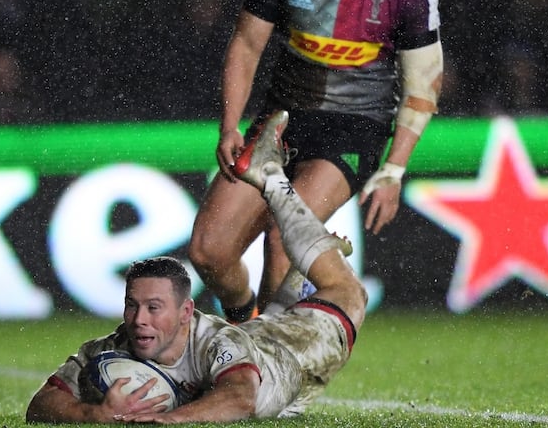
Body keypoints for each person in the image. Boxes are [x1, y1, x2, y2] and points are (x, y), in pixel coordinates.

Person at [188, 0, 443, 323]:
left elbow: (423, 87)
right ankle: (247, 328)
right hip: (281, 121)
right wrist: (230, 126)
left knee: (288, 235)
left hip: (354, 128)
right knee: (209, 251)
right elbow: (246, 46)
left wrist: (394, 169)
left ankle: (269, 368)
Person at [26, 110, 367, 423]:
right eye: (133, 306)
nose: (139, 319)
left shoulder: (214, 342)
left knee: (348, 293)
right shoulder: (111, 350)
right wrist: (93, 414)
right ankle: (305, 273)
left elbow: (242, 397)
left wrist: (172, 419)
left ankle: (273, 179)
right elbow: (40, 405)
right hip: (259, 335)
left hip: (294, 355)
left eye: (154, 307)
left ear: (186, 312)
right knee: (274, 316)